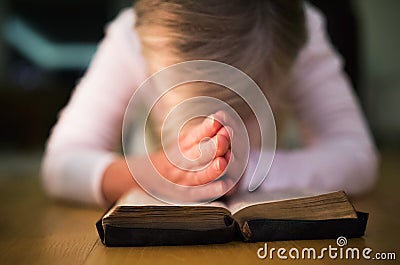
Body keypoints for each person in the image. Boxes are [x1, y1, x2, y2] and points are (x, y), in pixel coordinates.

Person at [41, 0, 378, 207]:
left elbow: (358, 156)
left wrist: (248, 168)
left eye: (243, 113)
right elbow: (61, 162)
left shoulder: (301, 34)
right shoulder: (131, 37)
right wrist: (155, 172)